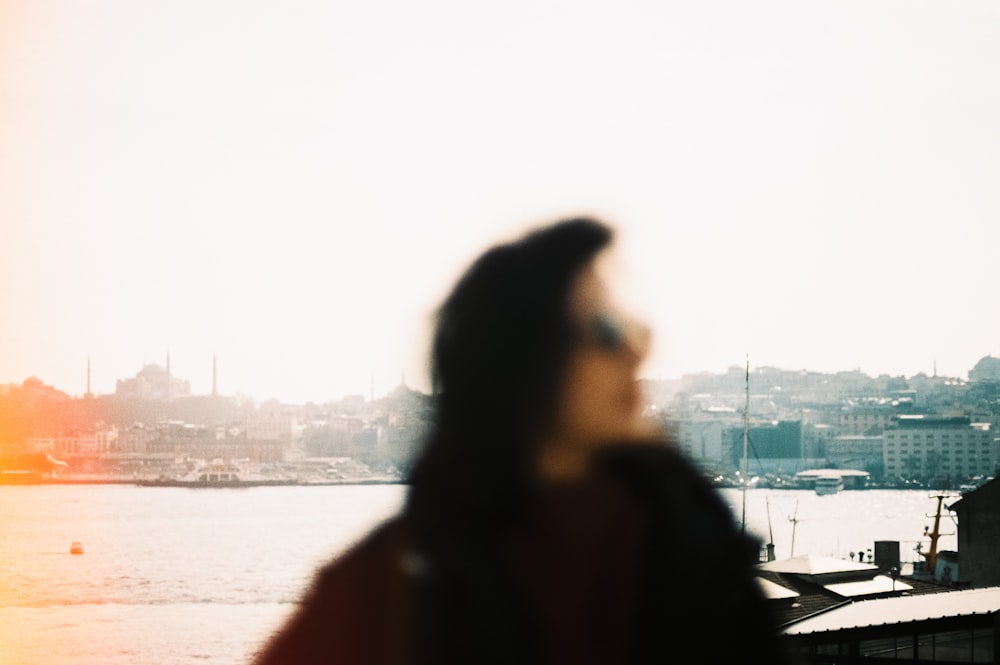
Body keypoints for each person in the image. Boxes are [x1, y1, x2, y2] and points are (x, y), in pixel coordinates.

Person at [251, 216, 793, 664]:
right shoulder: (381, 593)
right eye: (605, 331)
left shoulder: (700, 558)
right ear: (521, 366)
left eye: (633, 327)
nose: (635, 351)